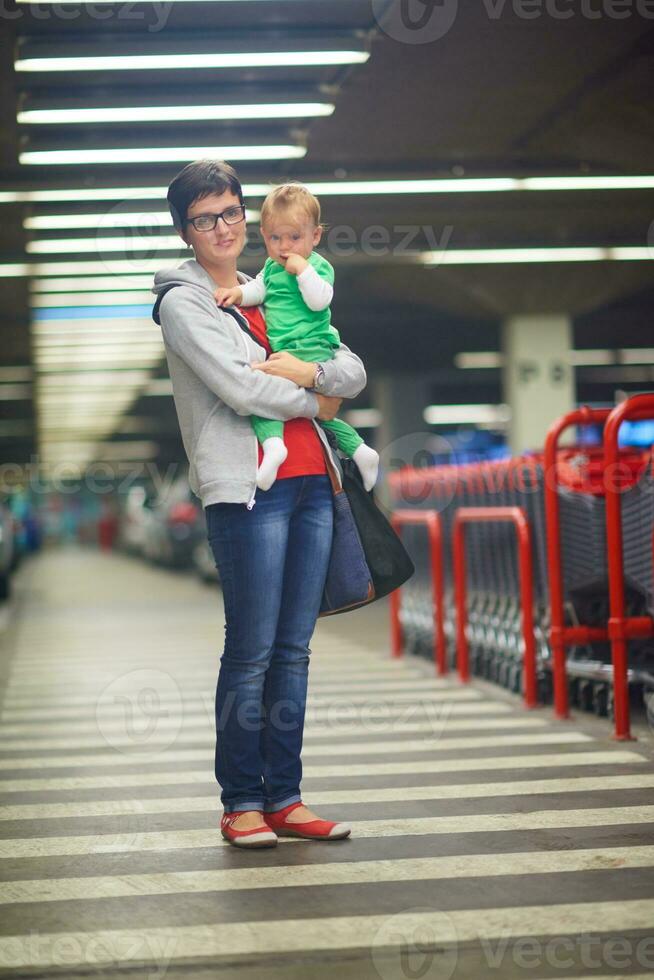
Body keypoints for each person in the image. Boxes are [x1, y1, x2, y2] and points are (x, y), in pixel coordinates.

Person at [152, 159, 368, 848]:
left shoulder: (278, 283)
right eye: (204, 218)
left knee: (294, 653)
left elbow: (350, 366)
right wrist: (321, 396)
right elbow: (241, 389)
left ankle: (287, 798)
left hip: (312, 483)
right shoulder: (184, 302)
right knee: (250, 652)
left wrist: (311, 374)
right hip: (248, 491)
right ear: (185, 230)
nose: (222, 227)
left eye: (231, 212)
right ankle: (242, 800)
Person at [214, 182, 379, 494]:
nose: (284, 247)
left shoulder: (317, 266)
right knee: (320, 414)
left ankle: (274, 447)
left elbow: (320, 300)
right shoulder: (272, 269)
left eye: (294, 237)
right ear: (263, 235)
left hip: (312, 347)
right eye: (275, 238)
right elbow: (258, 290)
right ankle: (360, 451)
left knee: (266, 398)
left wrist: (302, 269)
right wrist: (236, 293)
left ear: (314, 236)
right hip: (287, 351)